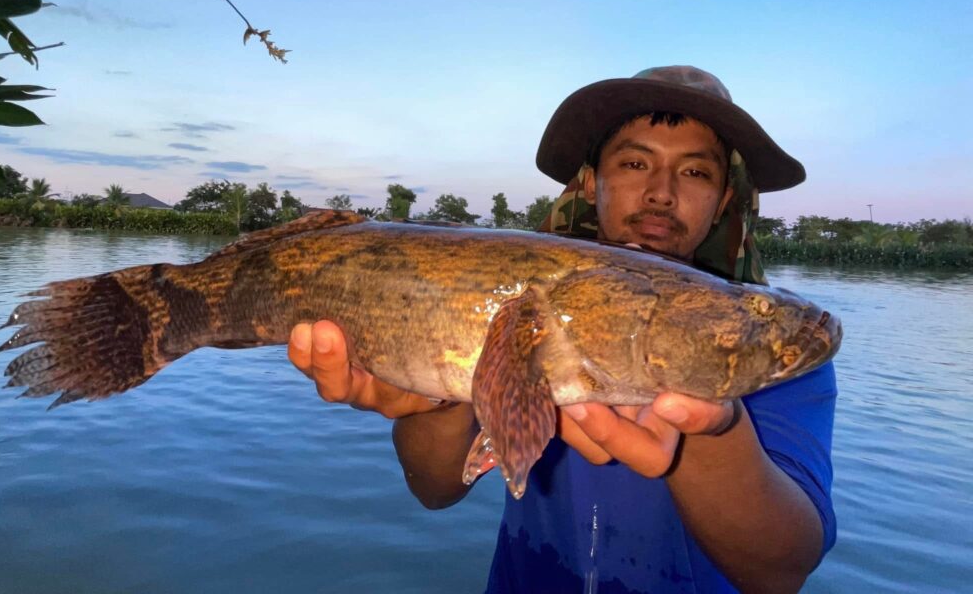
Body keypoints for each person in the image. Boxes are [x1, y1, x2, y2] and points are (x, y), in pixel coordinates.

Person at [288, 66, 837, 594]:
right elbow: (435, 488)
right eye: (634, 164)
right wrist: (438, 396)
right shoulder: (508, 294)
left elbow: (780, 572)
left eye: (695, 172)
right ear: (592, 182)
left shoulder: (769, 357)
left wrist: (710, 431)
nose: (661, 193)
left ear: (722, 202)